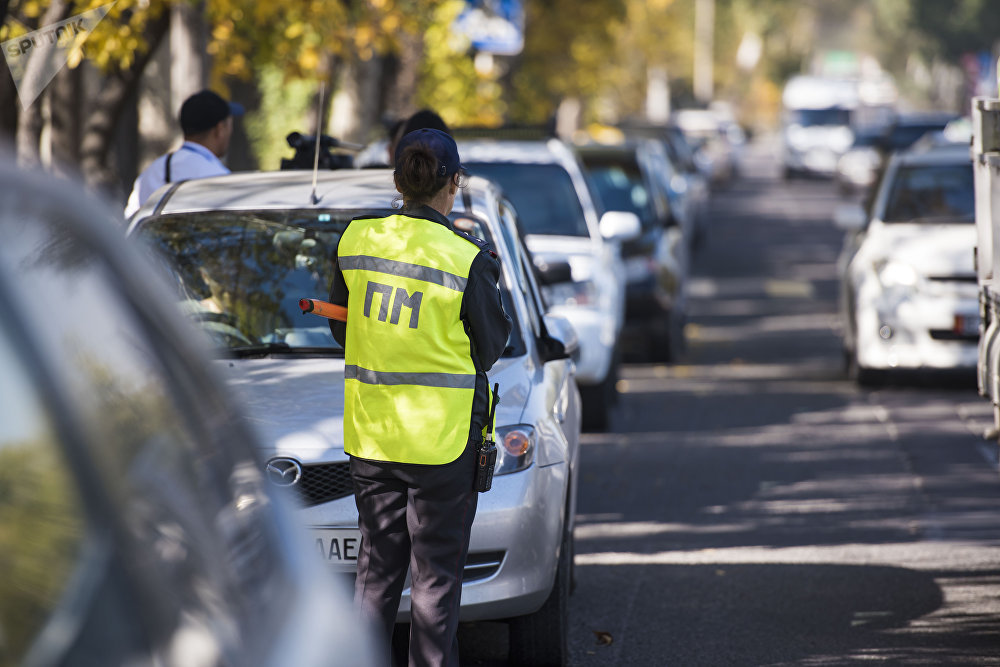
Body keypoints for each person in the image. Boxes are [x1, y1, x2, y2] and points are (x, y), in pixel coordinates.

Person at [328, 128, 511, 667]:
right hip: (442, 444)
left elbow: (344, 329)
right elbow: (490, 348)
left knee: (375, 578)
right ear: (454, 184)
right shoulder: (466, 258)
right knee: (434, 587)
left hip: (372, 436)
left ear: (398, 180)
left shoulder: (356, 240)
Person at [124, 90, 244, 217]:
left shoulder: (150, 173)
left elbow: (130, 221)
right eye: (229, 125)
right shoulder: (221, 179)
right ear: (220, 129)